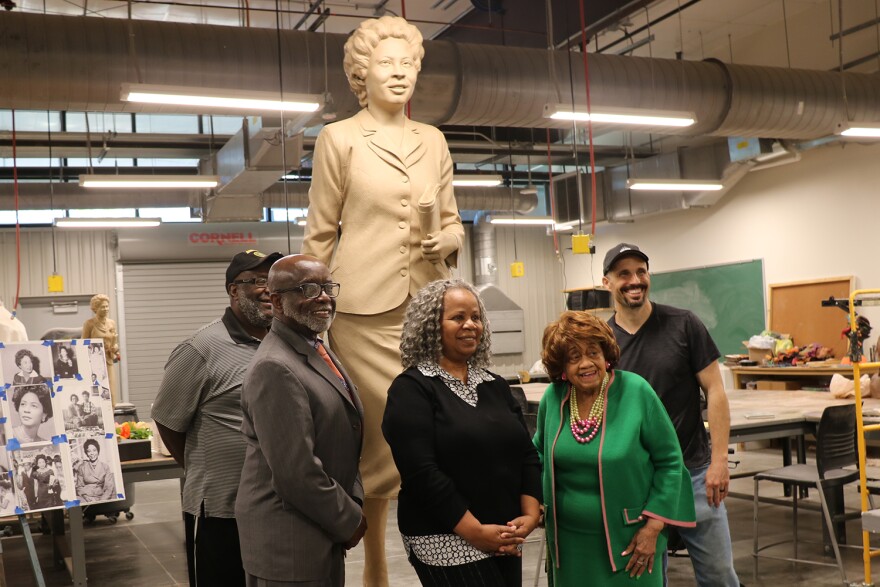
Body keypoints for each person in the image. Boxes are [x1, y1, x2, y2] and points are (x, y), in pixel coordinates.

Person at [302, 16, 464, 584]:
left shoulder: (434, 141)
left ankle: (442, 556)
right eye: (386, 64)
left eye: (408, 65)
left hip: (427, 310)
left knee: (435, 437)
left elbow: (453, 222)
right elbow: (320, 234)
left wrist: (449, 237)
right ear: (359, 75)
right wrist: (307, 313)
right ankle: (374, 571)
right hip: (362, 313)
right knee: (375, 444)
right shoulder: (339, 139)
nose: (399, 73)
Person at [382, 279, 541, 586]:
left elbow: (525, 454)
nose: (471, 325)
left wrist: (530, 516)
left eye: (476, 317)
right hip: (444, 536)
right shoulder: (412, 389)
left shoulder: (494, 385)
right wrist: (475, 532)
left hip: (504, 532)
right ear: (431, 326)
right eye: (458, 317)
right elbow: (421, 473)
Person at [602, 243, 740, 586]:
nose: (634, 281)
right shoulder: (603, 341)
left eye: (641, 272)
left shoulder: (684, 324)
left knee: (720, 575)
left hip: (694, 474)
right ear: (607, 283)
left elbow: (716, 391)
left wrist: (719, 460)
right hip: (639, 481)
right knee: (649, 578)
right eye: (624, 274)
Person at [534, 311, 696, 586]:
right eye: (574, 357)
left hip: (632, 544)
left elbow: (670, 463)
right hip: (568, 546)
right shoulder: (554, 398)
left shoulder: (637, 391)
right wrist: (534, 502)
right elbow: (537, 455)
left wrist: (653, 528)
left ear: (605, 355)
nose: (586, 364)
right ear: (562, 366)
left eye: (593, 353)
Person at [152, 249, 282, 587]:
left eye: (272, 280)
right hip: (223, 512)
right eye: (256, 281)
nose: (267, 288)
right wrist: (205, 468)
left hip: (279, 506)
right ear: (233, 290)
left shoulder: (286, 342)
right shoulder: (201, 347)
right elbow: (168, 421)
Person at [235, 254, 366, 587]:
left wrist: (353, 499)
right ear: (277, 301)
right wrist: (349, 518)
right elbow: (297, 472)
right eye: (308, 288)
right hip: (289, 543)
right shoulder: (275, 367)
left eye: (327, 286)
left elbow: (345, 430)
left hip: (315, 528)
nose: (323, 296)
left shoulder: (313, 345)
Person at [82, 294, 120, 405]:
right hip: (95, 363)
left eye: (107, 306)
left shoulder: (111, 323)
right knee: (98, 393)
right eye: (102, 307)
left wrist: (115, 348)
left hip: (108, 361)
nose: (106, 309)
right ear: (95, 308)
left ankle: (111, 418)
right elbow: (83, 344)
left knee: (112, 394)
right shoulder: (89, 324)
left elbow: (114, 342)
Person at [74, 438, 116, 502]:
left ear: (98, 451)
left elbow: (109, 488)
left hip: (101, 496)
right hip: (86, 497)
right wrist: (86, 497)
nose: (92, 453)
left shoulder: (105, 467)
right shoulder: (82, 467)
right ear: (86, 453)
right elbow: (79, 487)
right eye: (89, 451)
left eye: (94, 450)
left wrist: (101, 501)